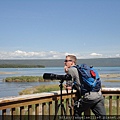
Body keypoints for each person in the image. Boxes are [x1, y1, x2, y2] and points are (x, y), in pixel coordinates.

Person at [64, 55, 106, 119]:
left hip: (89, 97)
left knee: (76, 110)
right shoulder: (80, 69)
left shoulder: (71, 70)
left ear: (72, 62)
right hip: (98, 94)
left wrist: (66, 72)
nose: (65, 62)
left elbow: (68, 85)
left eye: (66, 61)